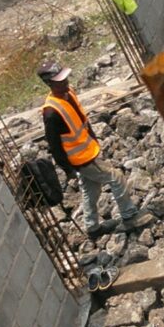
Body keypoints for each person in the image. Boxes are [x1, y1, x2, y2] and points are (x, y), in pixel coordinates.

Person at [37, 60, 142, 237]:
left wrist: (93, 139)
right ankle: (129, 215)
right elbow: (55, 146)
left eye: (65, 78)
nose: (65, 82)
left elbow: (81, 119)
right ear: (49, 83)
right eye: (60, 80)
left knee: (91, 189)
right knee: (115, 177)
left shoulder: (69, 93)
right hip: (81, 159)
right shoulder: (51, 112)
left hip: (88, 150)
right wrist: (68, 169)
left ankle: (92, 227)